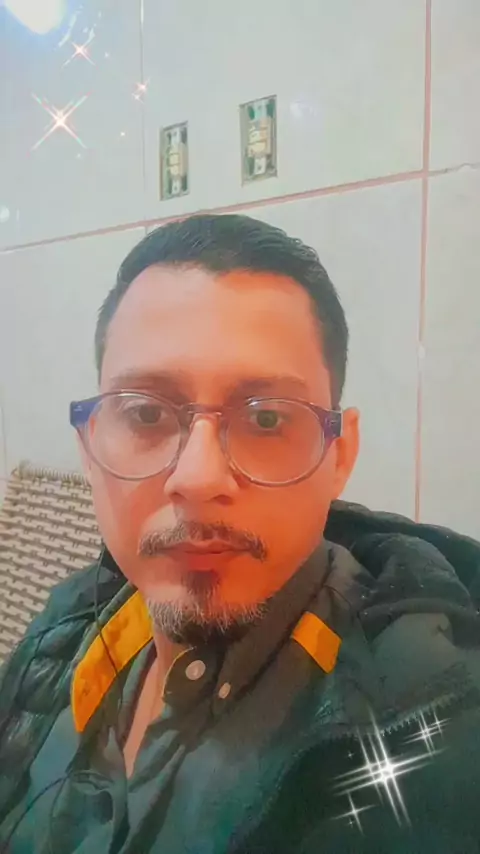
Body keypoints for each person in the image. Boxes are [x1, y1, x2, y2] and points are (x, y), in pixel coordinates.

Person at [1, 214, 480, 854]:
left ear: (339, 455)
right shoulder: (61, 632)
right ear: (90, 451)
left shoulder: (437, 742)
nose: (198, 478)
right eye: (146, 413)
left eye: (267, 418)